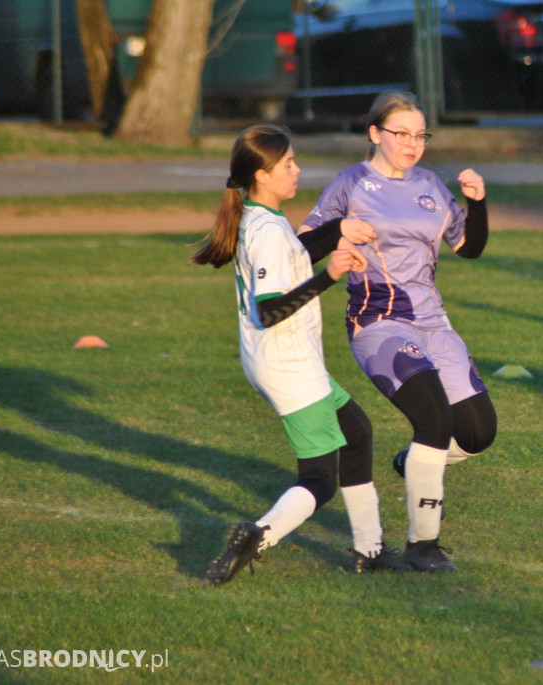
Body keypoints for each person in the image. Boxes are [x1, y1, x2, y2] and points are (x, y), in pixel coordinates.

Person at [190, 124, 409, 584]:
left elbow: (294, 253)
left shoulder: (262, 217)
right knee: (319, 479)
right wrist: (329, 275)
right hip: (288, 365)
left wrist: (337, 231)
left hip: (290, 361)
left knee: (357, 432)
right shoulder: (265, 229)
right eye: (288, 163)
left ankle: (369, 550)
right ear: (263, 175)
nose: (298, 169)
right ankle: (258, 535)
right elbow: (270, 310)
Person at [298, 91, 497, 573]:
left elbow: (468, 247)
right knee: (434, 420)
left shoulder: (430, 184)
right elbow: (302, 247)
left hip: (434, 323)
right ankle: (422, 546)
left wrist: (478, 204)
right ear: (374, 135)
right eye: (400, 134)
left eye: (420, 135)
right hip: (378, 322)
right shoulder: (351, 183)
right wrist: (341, 228)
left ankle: (415, 464)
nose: (412, 144)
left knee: (477, 432)